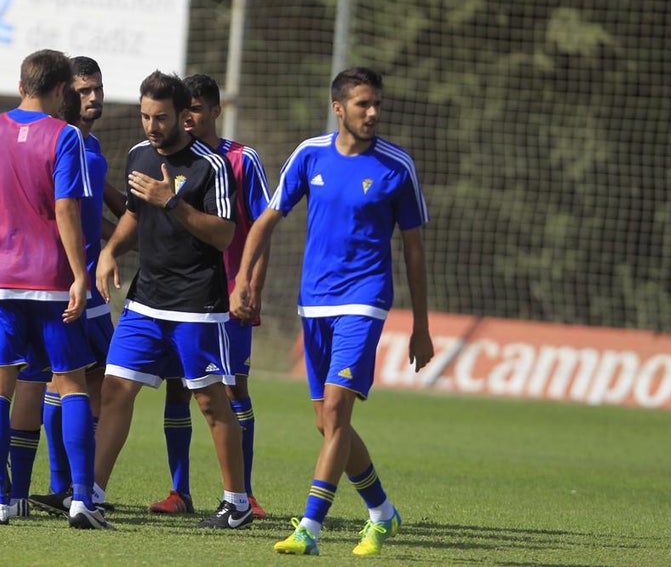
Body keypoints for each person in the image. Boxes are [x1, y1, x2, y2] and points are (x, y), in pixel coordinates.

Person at [230, 67, 434, 557]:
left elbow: (413, 251)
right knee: (327, 425)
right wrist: (241, 280)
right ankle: (383, 513)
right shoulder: (309, 154)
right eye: (363, 104)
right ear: (338, 108)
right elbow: (266, 220)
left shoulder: (396, 166)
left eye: (378, 104)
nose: (373, 113)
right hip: (313, 303)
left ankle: (309, 528)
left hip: (364, 302)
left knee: (339, 413)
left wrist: (421, 327)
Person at [94, 70, 253, 530]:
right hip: (146, 300)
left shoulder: (212, 165)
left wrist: (173, 203)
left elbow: (225, 236)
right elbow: (132, 212)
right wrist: (109, 251)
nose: (150, 126)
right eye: (145, 116)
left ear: (184, 117)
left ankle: (236, 502)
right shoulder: (139, 154)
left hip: (197, 306)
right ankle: (94, 498)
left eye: (160, 117)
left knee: (209, 401)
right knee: (115, 390)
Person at [0, 49, 108, 529]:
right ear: (61, 90)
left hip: (3, 279)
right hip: (50, 279)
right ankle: (81, 502)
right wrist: (80, 275)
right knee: (71, 386)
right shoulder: (64, 135)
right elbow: (67, 210)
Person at [148, 73, 271, 519]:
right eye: (185, 110)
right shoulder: (167, 159)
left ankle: (247, 493)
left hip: (226, 295)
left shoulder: (241, 159)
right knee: (178, 388)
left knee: (233, 386)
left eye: (197, 109)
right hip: (178, 295)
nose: (190, 117)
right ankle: (179, 491)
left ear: (216, 111)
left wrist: (250, 284)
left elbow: (261, 224)